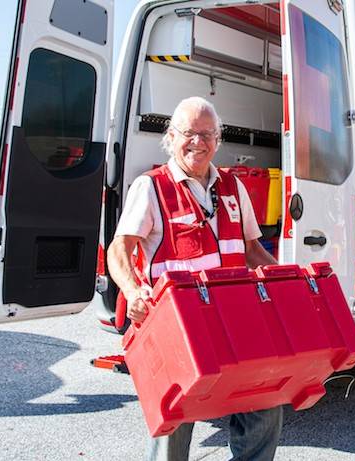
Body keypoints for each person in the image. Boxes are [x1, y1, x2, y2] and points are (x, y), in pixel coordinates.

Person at [107, 97, 282, 460]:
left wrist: (280, 281)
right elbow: (118, 249)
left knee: (263, 404)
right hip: (179, 330)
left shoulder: (234, 188)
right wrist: (133, 289)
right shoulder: (151, 187)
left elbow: (252, 250)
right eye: (189, 133)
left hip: (236, 320)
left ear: (218, 140)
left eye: (207, 134)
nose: (198, 142)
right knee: (174, 423)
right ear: (171, 137)